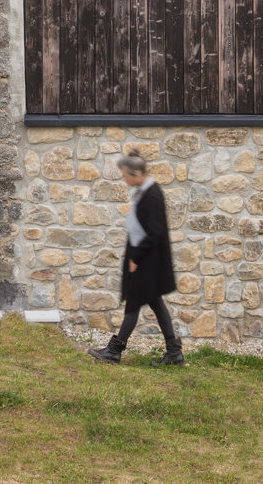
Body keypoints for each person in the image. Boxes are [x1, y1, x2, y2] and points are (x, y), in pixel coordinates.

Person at [88, 149, 184, 366]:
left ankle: (114, 350)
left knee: (133, 303)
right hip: (146, 260)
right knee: (155, 303)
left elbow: (154, 232)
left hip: (147, 261)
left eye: (125, 175)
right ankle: (174, 353)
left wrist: (136, 258)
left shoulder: (153, 195)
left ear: (137, 173)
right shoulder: (146, 191)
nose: (124, 179)